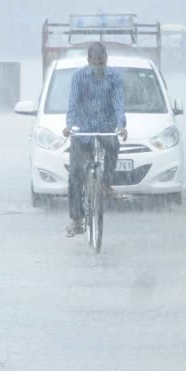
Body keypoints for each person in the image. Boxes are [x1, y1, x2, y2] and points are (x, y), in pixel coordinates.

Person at [62, 42, 128, 237]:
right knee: (75, 173)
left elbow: (118, 103)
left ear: (106, 60)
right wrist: (70, 125)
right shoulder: (79, 77)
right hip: (83, 127)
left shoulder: (114, 77)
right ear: (88, 60)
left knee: (113, 144)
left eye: (102, 63)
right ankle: (76, 219)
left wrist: (121, 125)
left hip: (105, 125)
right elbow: (73, 102)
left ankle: (106, 184)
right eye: (95, 63)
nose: (99, 67)